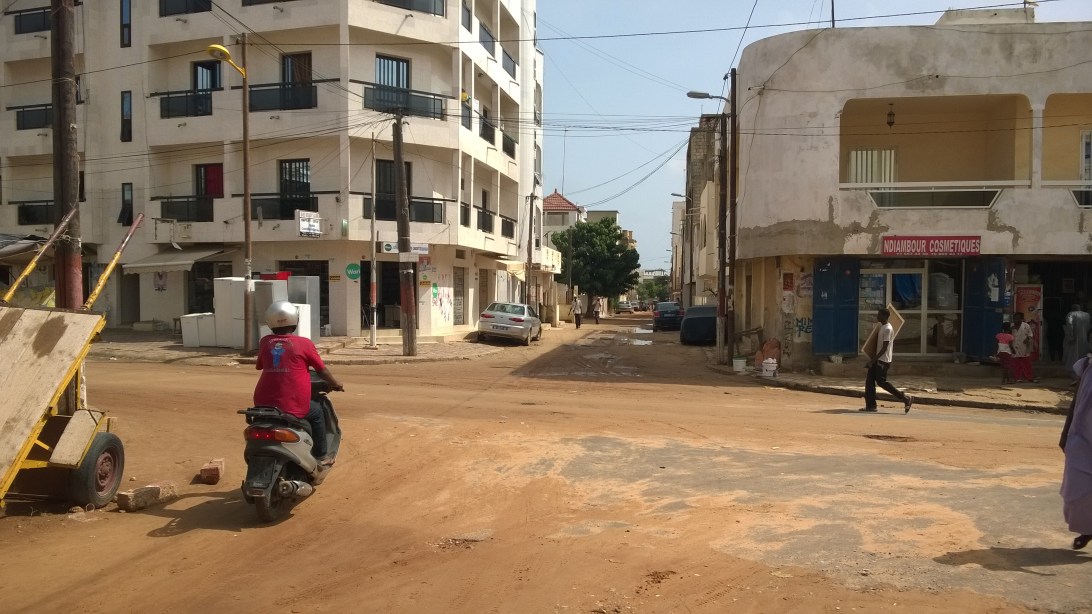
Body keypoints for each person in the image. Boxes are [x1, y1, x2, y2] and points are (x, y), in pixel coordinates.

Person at [254, 301, 344, 465]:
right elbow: (322, 371)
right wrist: (335, 383)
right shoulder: (304, 343)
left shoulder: (265, 342)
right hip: (291, 404)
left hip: (263, 403)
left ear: (270, 322)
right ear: (294, 320)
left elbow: (260, 365)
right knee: (317, 411)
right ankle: (322, 456)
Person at [1059, 355, 1092, 550]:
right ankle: (1087, 530)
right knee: (1078, 485)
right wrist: (1065, 433)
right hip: (1082, 437)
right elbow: (1076, 401)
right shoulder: (1087, 366)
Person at [860, 308, 913, 414]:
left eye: (879, 315)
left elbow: (884, 348)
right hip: (877, 359)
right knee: (869, 382)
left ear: (884, 316)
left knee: (882, 382)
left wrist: (872, 361)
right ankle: (871, 405)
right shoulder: (882, 327)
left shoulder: (888, 329)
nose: (877, 316)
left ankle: (905, 398)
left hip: (882, 361)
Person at [1063, 304, 1091, 378]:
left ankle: (1074, 375)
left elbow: (1070, 324)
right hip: (1085, 340)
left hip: (1074, 340)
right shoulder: (1087, 315)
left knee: (1073, 357)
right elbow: (1089, 327)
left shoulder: (1071, 314)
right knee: (1084, 356)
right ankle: (1083, 374)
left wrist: (1070, 337)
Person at [1011, 312, 1039, 383]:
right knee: (1016, 364)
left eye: (1018, 318)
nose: (1016, 320)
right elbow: (1008, 336)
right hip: (1014, 347)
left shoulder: (1026, 325)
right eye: (1015, 318)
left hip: (1024, 347)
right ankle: (1018, 378)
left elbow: (1030, 334)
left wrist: (1027, 339)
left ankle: (1029, 377)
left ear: (1021, 319)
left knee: (1027, 363)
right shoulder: (1011, 326)